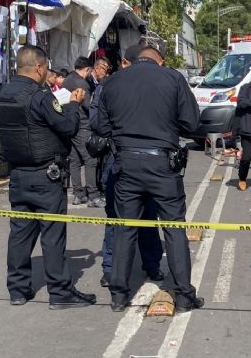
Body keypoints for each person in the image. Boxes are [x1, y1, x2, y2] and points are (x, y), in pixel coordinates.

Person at [97, 47, 204, 313]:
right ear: (160, 60)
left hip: (126, 164)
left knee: (125, 228)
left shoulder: (112, 81)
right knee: (174, 228)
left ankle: (119, 295)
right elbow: (192, 123)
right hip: (162, 164)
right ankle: (183, 295)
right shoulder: (173, 78)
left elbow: (100, 127)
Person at [0, 46, 97, 310]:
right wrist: (73, 104)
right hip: (46, 175)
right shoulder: (39, 97)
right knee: (52, 234)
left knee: (20, 233)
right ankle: (60, 292)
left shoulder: (1, 94)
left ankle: (17, 289)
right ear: (39, 68)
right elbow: (68, 127)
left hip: (17, 174)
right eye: (46, 68)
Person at [90, 44, 164, 288]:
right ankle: (115, 268)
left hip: (129, 159)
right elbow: (97, 122)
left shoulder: (117, 86)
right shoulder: (110, 87)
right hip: (127, 158)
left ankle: (146, 265)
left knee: (140, 216)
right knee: (123, 217)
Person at [62, 57, 104, 207]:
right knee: (90, 160)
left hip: (70, 124)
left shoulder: (67, 80)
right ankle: (93, 196)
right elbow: (89, 106)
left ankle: (78, 195)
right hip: (83, 126)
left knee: (74, 160)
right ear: (87, 69)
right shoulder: (82, 83)